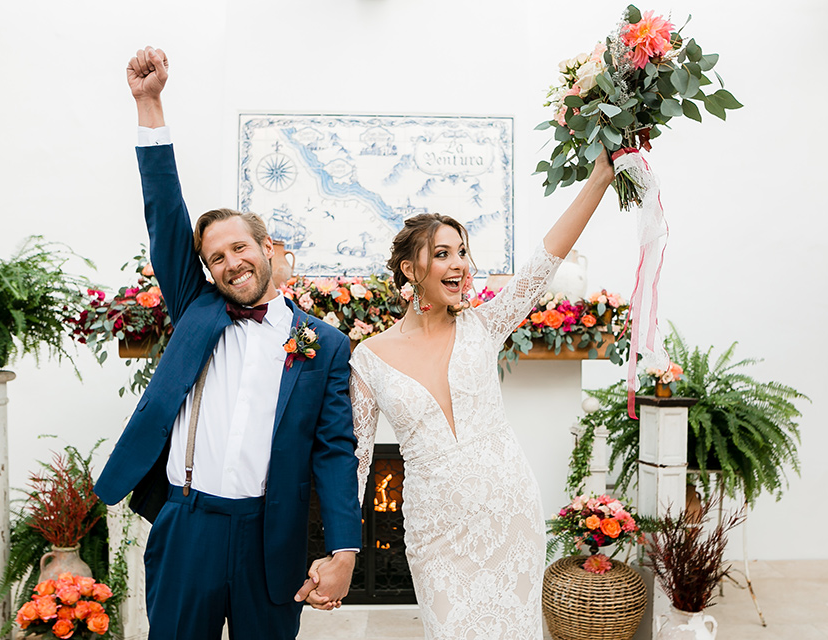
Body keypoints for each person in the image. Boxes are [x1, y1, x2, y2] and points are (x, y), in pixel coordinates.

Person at [93, 46, 361, 640]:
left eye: (240, 248)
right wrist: (149, 104)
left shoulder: (325, 345)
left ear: (268, 249)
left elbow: (335, 451)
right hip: (188, 523)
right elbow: (165, 212)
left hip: (271, 536)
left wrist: (344, 549)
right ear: (207, 271)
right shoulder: (197, 308)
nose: (230, 263)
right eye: (216, 257)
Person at [338, 158, 614, 638]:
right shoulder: (369, 358)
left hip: (511, 512)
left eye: (462, 252)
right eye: (442, 253)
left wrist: (599, 180)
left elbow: (545, 261)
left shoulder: (484, 326)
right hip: (436, 529)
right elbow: (358, 462)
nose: (459, 264)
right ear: (411, 269)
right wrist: (342, 551)